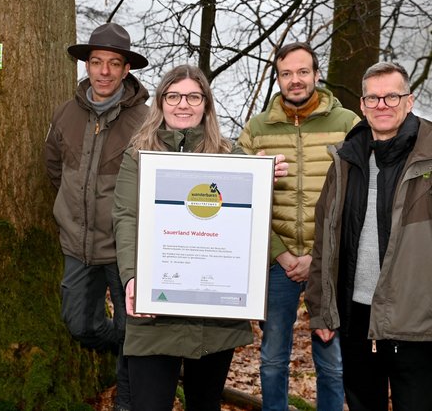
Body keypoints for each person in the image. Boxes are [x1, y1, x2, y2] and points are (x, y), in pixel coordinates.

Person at [112, 64, 289, 411]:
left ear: (206, 105)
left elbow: (245, 226)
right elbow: (125, 217)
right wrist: (132, 278)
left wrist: (260, 182)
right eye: (174, 96)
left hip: (214, 316)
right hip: (154, 310)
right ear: (161, 103)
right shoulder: (138, 156)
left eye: (194, 96)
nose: (183, 104)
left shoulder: (231, 156)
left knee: (205, 405)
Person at [238, 42, 359, 410]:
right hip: (278, 262)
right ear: (278, 78)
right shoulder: (257, 129)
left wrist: (320, 254)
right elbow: (241, 199)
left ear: (317, 75)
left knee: (332, 359)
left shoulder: (349, 124)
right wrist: (281, 253)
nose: (295, 80)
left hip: (331, 260)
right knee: (273, 355)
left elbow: (359, 197)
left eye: (303, 72)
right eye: (286, 73)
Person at [305, 61, 432, 410]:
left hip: (418, 324)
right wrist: (322, 310)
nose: (382, 106)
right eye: (373, 99)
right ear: (361, 105)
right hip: (355, 317)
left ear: (410, 100)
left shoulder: (429, 158)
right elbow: (324, 241)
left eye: (392, 97)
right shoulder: (345, 160)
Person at [44, 22, 149, 411]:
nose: (104, 71)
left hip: (125, 250)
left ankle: (126, 398)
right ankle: (116, 348)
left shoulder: (146, 122)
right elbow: (54, 168)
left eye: (114, 63)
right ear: (87, 65)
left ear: (126, 70)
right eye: (97, 62)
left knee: (132, 330)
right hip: (76, 244)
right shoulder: (65, 114)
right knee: (80, 325)